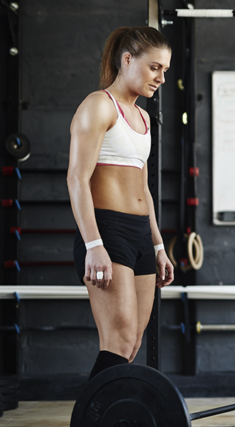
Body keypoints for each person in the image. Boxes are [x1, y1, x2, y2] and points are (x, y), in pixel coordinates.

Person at [67, 26, 174, 381]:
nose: (160, 77)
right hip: (107, 231)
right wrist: (93, 245)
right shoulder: (99, 106)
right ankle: (89, 418)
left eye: (165, 71)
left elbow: (143, 186)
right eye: (154, 67)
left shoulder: (143, 117)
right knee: (118, 339)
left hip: (140, 233)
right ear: (128, 60)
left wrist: (158, 245)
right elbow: (77, 179)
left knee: (131, 345)